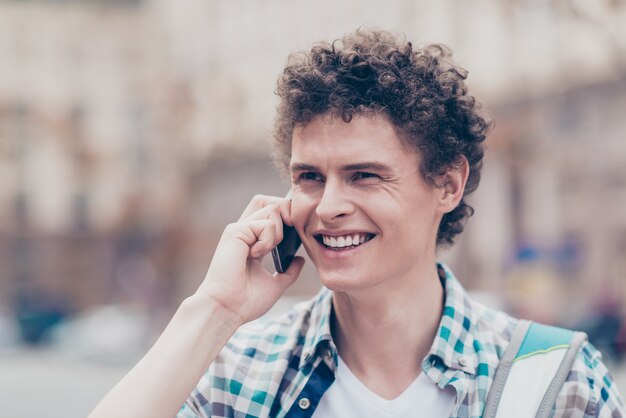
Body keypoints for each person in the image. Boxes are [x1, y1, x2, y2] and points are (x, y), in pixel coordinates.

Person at [90, 29, 624, 418]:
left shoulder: (555, 379)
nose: (327, 207)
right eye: (309, 177)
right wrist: (215, 310)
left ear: (447, 184)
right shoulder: (240, 372)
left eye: (365, 175)